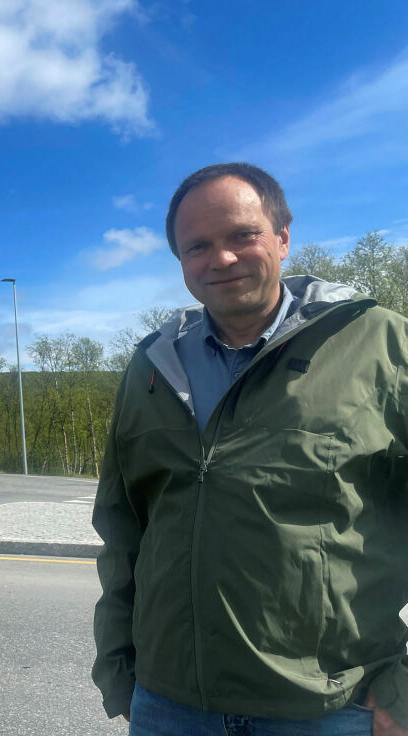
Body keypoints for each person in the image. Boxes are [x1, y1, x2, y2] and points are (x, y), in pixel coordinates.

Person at [91, 162, 408, 735]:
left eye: (243, 235)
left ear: (283, 238)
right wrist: (121, 669)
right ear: (181, 261)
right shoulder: (151, 367)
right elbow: (123, 533)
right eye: (198, 246)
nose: (222, 258)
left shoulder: (383, 344)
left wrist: (402, 693)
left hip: (328, 711)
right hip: (168, 706)